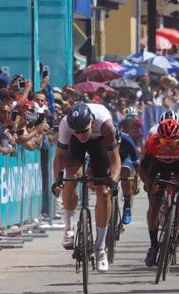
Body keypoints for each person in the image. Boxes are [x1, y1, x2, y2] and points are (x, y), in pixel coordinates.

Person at [53, 102, 121, 273]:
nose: (81, 135)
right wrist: (58, 179)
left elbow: (115, 159)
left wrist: (112, 180)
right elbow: (59, 156)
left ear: (91, 122)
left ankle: (101, 248)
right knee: (70, 177)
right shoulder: (66, 125)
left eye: (84, 130)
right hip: (75, 148)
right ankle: (68, 229)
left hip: (99, 143)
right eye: (77, 132)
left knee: (104, 192)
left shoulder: (105, 125)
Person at [139, 119, 179, 267]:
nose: (169, 146)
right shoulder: (151, 143)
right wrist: (149, 184)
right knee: (154, 205)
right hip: (159, 167)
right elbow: (143, 169)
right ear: (158, 138)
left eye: (173, 142)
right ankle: (153, 245)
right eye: (164, 142)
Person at [117, 128, 140, 225]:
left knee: (125, 170)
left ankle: (127, 204)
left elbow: (137, 164)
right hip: (109, 158)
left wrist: (136, 181)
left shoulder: (127, 140)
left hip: (125, 159)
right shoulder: (102, 139)